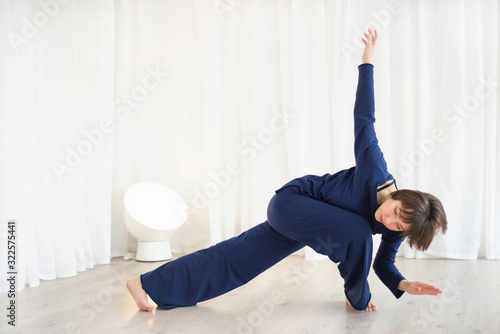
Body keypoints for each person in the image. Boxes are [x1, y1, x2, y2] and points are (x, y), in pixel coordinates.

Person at [126, 29, 448, 312]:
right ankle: (356, 297)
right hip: (294, 203)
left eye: (397, 225)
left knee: (236, 261)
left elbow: (382, 263)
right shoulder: (374, 171)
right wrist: (367, 62)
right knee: (360, 232)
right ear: (398, 196)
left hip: (313, 226)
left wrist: (403, 285)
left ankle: (148, 285)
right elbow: (365, 118)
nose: (388, 221)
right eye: (393, 212)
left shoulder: (397, 226)